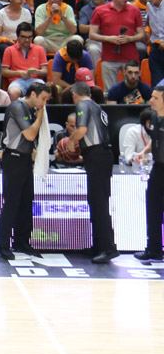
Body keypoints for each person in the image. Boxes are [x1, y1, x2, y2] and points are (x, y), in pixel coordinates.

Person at [0, 81, 53, 260]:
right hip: (14, 159)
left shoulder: (30, 109)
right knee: (11, 202)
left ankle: (22, 241)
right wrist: (41, 115)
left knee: (26, 202)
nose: (44, 103)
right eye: (43, 99)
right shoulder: (17, 107)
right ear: (33, 94)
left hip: (26, 160)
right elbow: (30, 134)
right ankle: (2, 244)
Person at [68, 80, 119, 263]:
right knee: (97, 201)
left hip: (97, 155)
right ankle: (99, 245)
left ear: (75, 94)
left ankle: (108, 247)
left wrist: (70, 140)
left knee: (99, 202)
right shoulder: (98, 106)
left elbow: (81, 130)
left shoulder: (83, 104)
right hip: (102, 155)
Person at [133, 87, 164, 261]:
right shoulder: (153, 117)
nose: (150, 100)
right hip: (158, 168)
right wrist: (144, 152)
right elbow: (156, 138)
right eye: (151, 97)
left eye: (156, 98)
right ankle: (154, 249)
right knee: (152, 208)